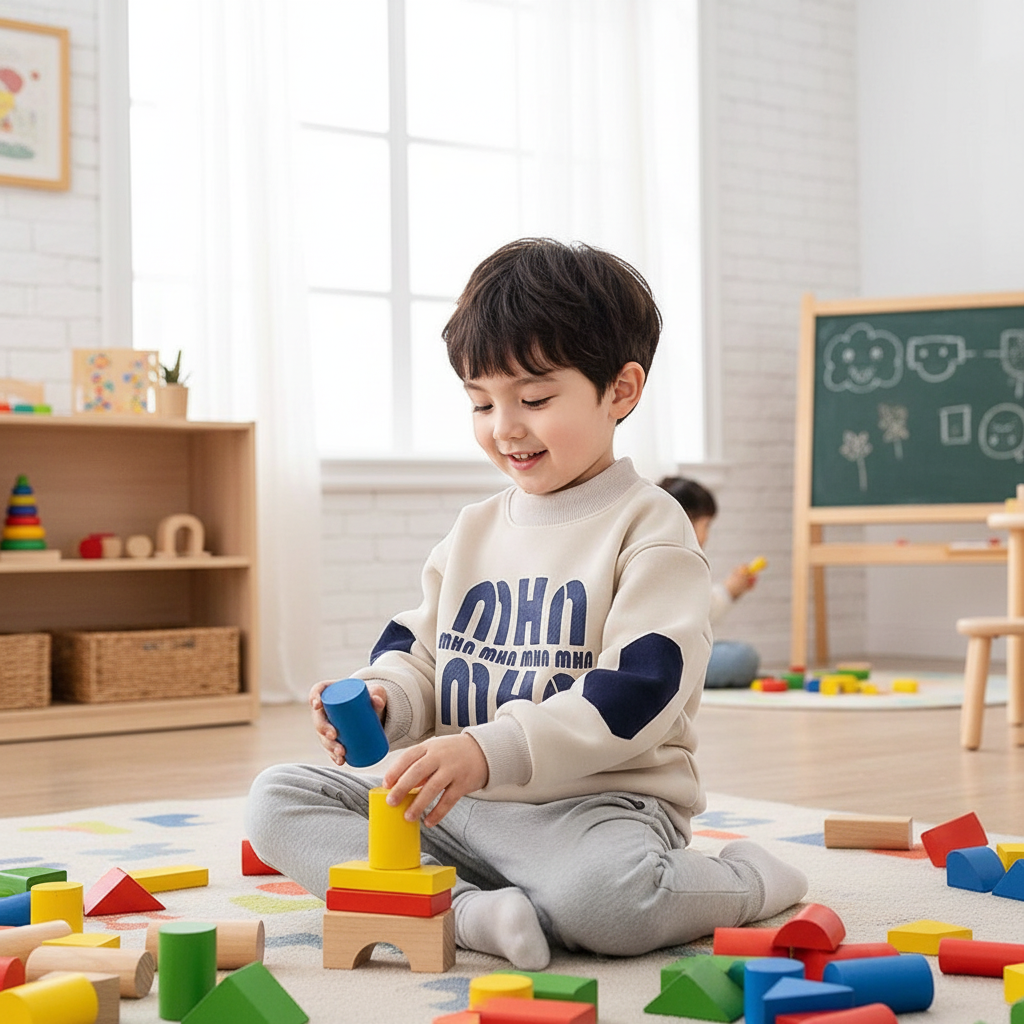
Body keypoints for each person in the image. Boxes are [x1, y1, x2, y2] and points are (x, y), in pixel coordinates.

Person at [246, 238, 807, 971]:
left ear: (621, 391)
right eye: (481, 402)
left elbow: (637, 692)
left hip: (594, 810)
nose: (504, 425)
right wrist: (385, 700)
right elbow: (418, 651)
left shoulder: (651, 525)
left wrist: (489, 750)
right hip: (462, 806)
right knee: (276, 799)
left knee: (606, 903)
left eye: (534, 399)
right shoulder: (476, 527)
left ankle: (744, 880)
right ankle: (469, 912)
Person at [658, 477, 762, 688]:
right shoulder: (672, 562)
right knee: (743, 657)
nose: (706, 535)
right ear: (684, 521)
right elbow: (697, 614)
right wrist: (729, 590)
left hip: (668, 651)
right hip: (665, 656)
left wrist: (731, 590)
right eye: (706, 525)